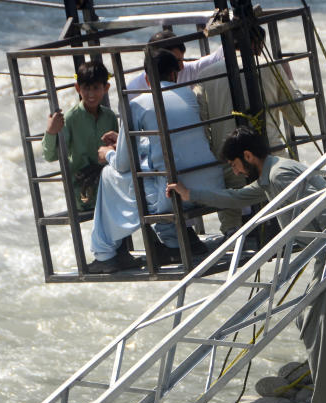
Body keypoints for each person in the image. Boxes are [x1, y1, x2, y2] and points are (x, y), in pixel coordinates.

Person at [167, 127, 326, 403]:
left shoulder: (279, 176)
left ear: (248, 156)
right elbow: (235, 198)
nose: (234, 171)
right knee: (315, 326)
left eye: (235, 164)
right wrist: (190, 194)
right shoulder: (273, 176)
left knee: (322, 335)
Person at [88, 49, 226, 273]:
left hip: (173, 194)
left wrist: (108, 153)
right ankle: (174, 242)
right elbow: (174, 140)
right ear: (174, 75)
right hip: (210, 184)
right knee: (158, 171)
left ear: (146, 78)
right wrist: (133, 141)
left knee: (109, 174)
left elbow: (123, 163)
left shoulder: (138, 104)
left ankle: (105, 253)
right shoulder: (189, 95)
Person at [194, 27, 306, 236]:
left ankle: (231, 233)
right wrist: (289, 80)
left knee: (228, 191)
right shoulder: (271, 68)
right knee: (284, 188)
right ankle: (286, 229)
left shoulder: (205, 76)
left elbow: (202, 124)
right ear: (259, 46)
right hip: (271, 157)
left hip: (230, 165)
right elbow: (298, 118)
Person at [41, 59, 118, 211]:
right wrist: (50, 132)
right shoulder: (70, 118)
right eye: (86, 88)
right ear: (77, 88)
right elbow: (49, 156)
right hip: (82, 192)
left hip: (109, 189)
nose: (90, 94)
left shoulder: (109, 117)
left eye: (96, 88)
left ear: (106, 88)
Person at [125, 29, 224, 93]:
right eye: (176, 61)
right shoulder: (132, 90)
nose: (181, 67)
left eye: (182, 59)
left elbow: (216, 57)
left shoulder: (188, 71)